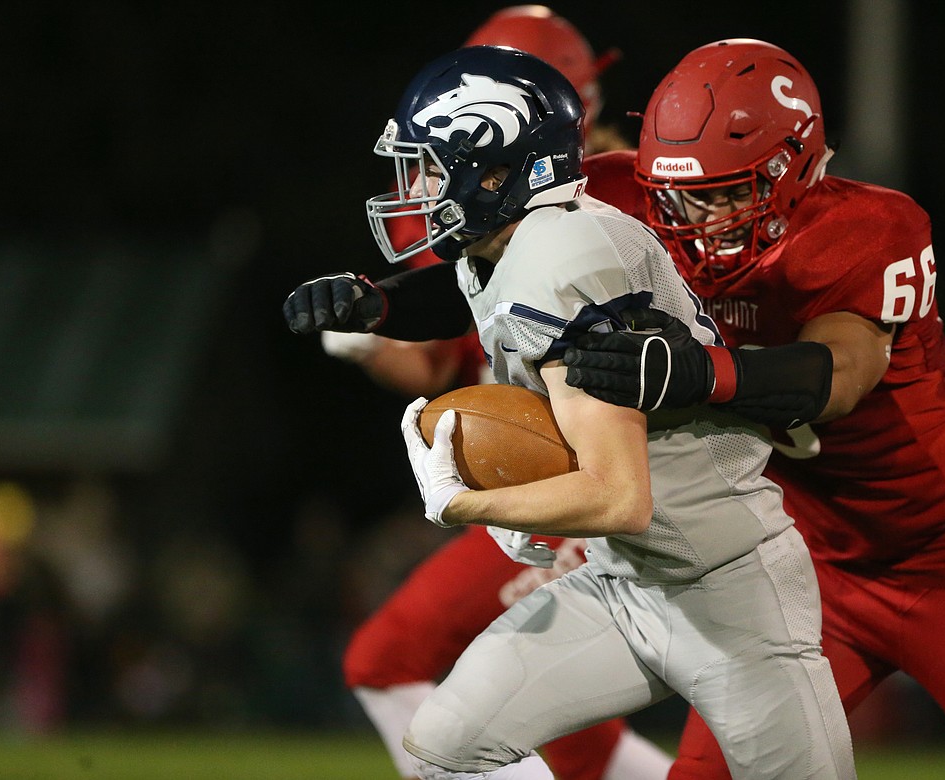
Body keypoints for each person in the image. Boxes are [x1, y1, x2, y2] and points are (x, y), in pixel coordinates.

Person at [284, 44, 856, 780]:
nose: (418, 187)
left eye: (431, 165)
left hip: (728, 589)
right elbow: (462, 297)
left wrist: (469, 504)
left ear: (493, 172)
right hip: (623, 585)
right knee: (446, 748)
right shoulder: (509, 242)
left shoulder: (564, 259)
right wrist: (378, 302)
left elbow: (618, 495)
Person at [560, 39, 945, 779]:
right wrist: (381, 299)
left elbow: (839, 375)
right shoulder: (624, 199)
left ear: (796, 171)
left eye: (732, 192)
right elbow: (495, 250)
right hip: (803, 563)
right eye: (689, 195)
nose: (705, 219)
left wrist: (695, 373)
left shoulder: (866, 230)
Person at [321, 8, 661, 780]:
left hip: (617, 483)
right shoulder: (501, 210)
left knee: (404, 663)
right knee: (568, 730)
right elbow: (446, 356)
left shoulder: (615, 202)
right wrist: (379, 322)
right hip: (554, 473)